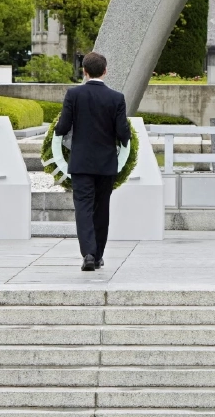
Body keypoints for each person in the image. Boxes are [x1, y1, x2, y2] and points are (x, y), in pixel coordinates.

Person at [55, 51, 130, 272]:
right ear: (105, 71)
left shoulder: (73, 94)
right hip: (106, 163)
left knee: (83, 208)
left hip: (81, 163)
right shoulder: (116, 98)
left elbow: (63, 127)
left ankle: (88, 253)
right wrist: (127, 139)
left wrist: (59, 130)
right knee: (101, 209)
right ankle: (98, 256)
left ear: (84, 72)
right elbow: (122, 132)